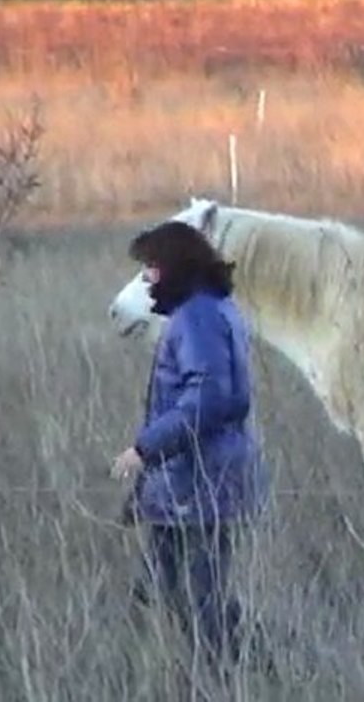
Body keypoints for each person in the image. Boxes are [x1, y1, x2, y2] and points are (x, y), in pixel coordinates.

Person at [110, 219, 270, 670]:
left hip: (201, 487)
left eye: (152, 268)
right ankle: (155, 675)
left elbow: (209, 398)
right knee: (157, 590)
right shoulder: (210, 310)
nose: (148, 279)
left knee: (203, 603)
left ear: (175, 266)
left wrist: (144, 449)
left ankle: (254, 671)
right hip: (188, 487)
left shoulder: (198, 317)